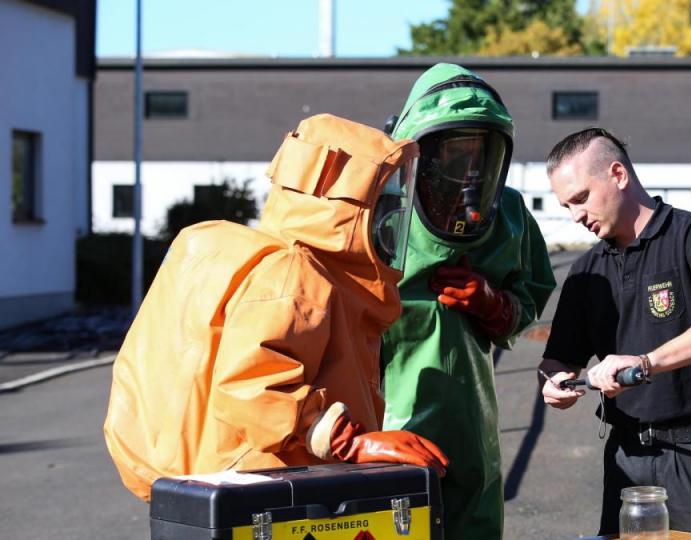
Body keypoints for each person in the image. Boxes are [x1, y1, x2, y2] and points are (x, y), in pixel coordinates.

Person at [103, 114, 448, 501]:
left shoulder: (276, 261)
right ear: (350, 206)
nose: (391, 222)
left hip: (243, 482)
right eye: (382, 206)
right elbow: (252, 388)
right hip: (268, 488)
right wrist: (351, 442)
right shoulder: (294, 274)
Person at [538, 128, 691, 539]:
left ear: (618, 174)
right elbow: (557, 360)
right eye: (566, 206)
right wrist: (553, 382)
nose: (575, 216)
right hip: (627, 459)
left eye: (581, 198)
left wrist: (645, 363)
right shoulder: (586, 273)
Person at [380, 63, 556, 540]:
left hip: (471, 419)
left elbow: (529, 296)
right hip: (384, 420)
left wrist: (495, 306)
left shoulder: (509, 213)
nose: (471, 168)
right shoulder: (377, 206)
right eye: (457, 152)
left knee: (473, 522)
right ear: (420, 150)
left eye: (481, 152)